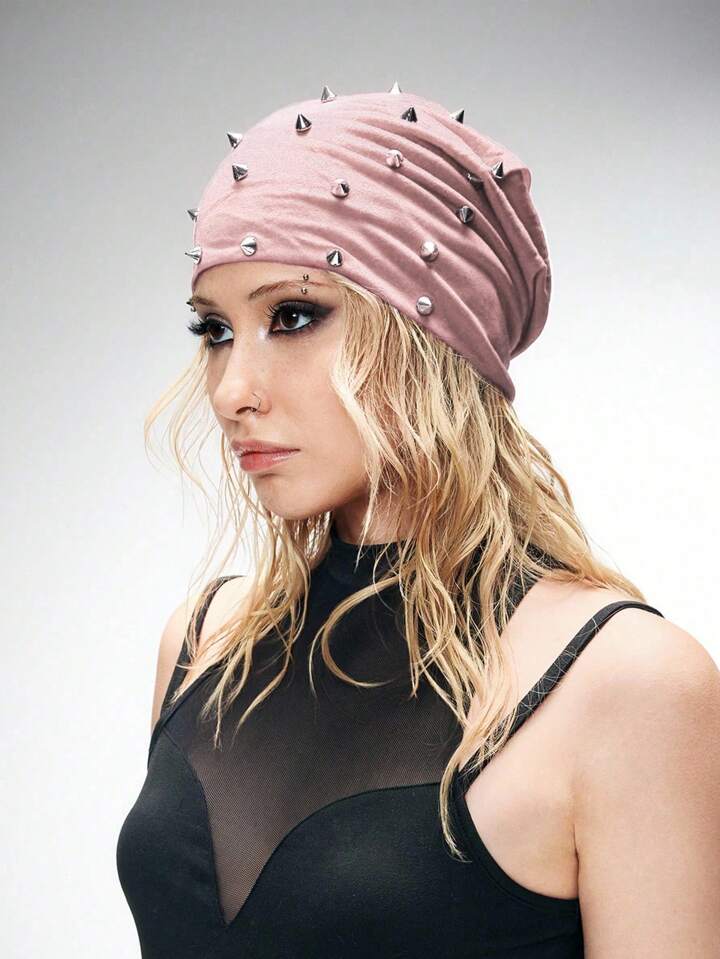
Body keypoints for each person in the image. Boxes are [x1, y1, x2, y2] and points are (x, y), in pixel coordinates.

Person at [116, 84, 720, 957]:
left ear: (434, 332)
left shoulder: (625, 683)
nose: (231, 389)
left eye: (293, 315)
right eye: (214, 330)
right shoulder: (205, 641)